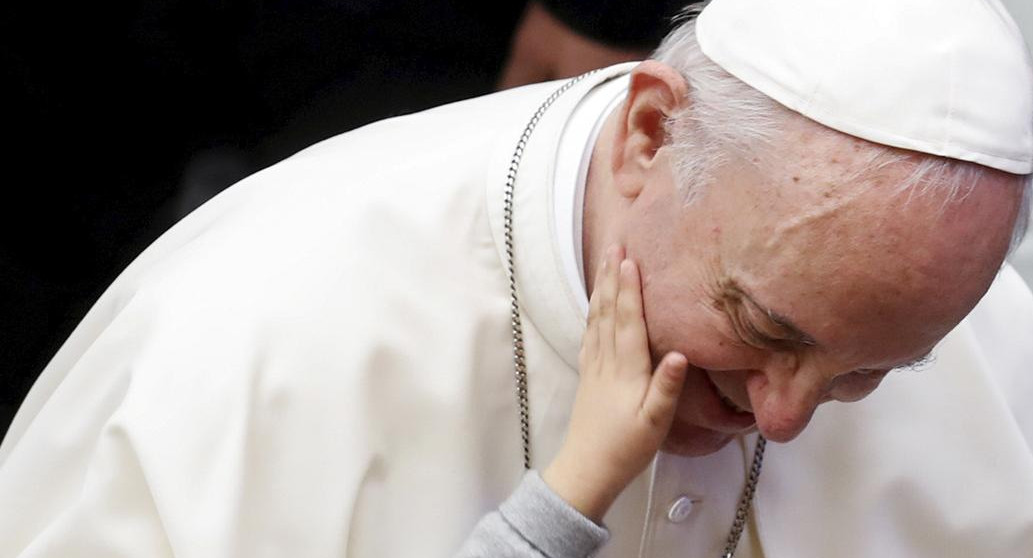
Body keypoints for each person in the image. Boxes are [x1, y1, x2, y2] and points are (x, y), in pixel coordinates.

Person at [2, 0, 1032, 557]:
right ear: (650, 132)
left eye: (870, 375)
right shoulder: (244, 339)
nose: (785, 417)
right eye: (765, 329)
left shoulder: (998, 355)